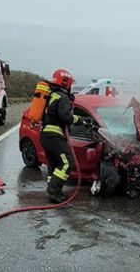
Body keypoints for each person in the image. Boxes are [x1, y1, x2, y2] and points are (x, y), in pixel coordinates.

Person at [40, 68, 90, 202]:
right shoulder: (63, 97)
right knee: (68, 162)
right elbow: (65, 116)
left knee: (54, 163)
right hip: (54, 136)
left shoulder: (53, 94)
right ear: (67, 83)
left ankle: (52, 189)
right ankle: (54, 192)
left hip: (45, 135)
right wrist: (80, 120)